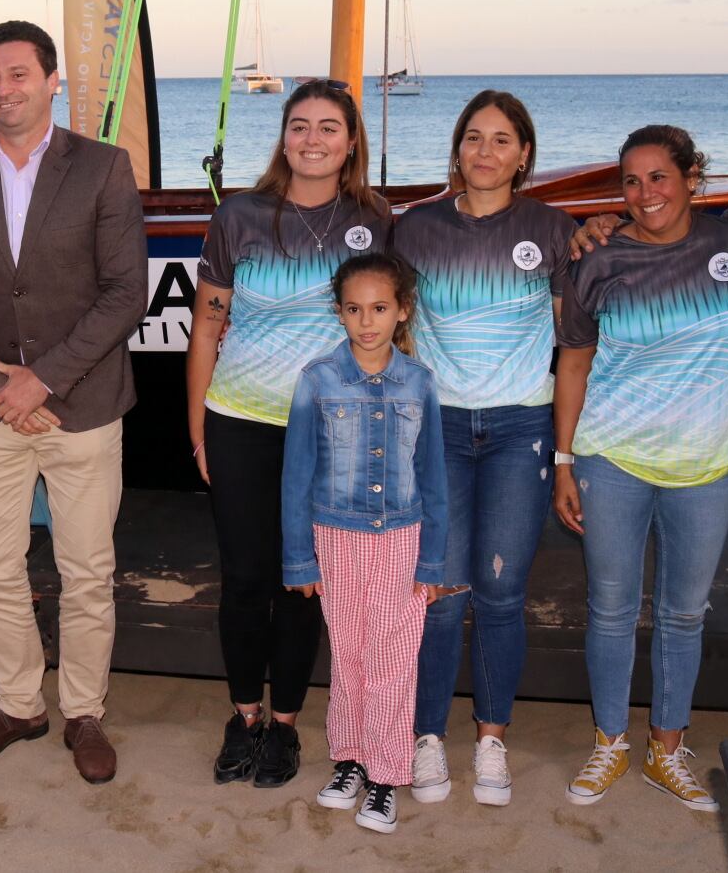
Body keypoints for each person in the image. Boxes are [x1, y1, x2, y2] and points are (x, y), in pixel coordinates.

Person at [0, 21, 147, 785]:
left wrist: (39, 379)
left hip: (81, 404)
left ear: (53, 81)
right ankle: (19, 703)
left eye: (18, 74)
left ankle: (84, 710)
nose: (4, 90)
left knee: (86, 569)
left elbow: (124, 294)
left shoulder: (105, 168)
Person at [552, 125, 728, 811]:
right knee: (611, 608)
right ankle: (610, 740)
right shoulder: (598, 261)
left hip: (708, 462)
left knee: (684, 613)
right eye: (631, 180)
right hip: (613, 456)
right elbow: (573, 365)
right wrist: (564, 461)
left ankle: (667, 749)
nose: (645, 192)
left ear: (692, 178)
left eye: (659, 176)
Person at [186, 78, 390, 789]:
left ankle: (287, 726)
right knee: (244, 577)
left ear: (351, 141)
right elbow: (207, 324)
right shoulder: (239, 215)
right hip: (238, 418)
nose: (312, 139)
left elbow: (392, 328)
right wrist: (197, 427)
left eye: (328, 127)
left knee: (304, 580)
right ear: (283, 136)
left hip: (331, 431)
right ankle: (244, 715)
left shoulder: (374, 219)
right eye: (299, 125)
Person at [391, 90, 575, 807]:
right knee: (439, 594)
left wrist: (564, 453)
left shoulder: (556, 229)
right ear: (457, 148)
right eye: (474, 137)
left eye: (502, 140)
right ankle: (427, 734)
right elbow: (393, 325)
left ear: (524, 153)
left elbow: (573, 345)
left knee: (500, 592)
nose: (486, 152)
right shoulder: (417, 227)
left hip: (518, 429)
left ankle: (491, 738)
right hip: (436, 429)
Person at [282, 253, 448, 836]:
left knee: (394, 659)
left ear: (402, 311)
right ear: (339, 313)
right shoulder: (317, 379)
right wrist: (299, 555)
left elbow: (434, 479)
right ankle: (350, 760)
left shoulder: (420, 382)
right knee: (349, 652)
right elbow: (297, 473)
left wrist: (433, 561)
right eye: (354, 309)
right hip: (334, 536)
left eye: (379, 308)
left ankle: (385, 776)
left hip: (402, 539)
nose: (367, 321)